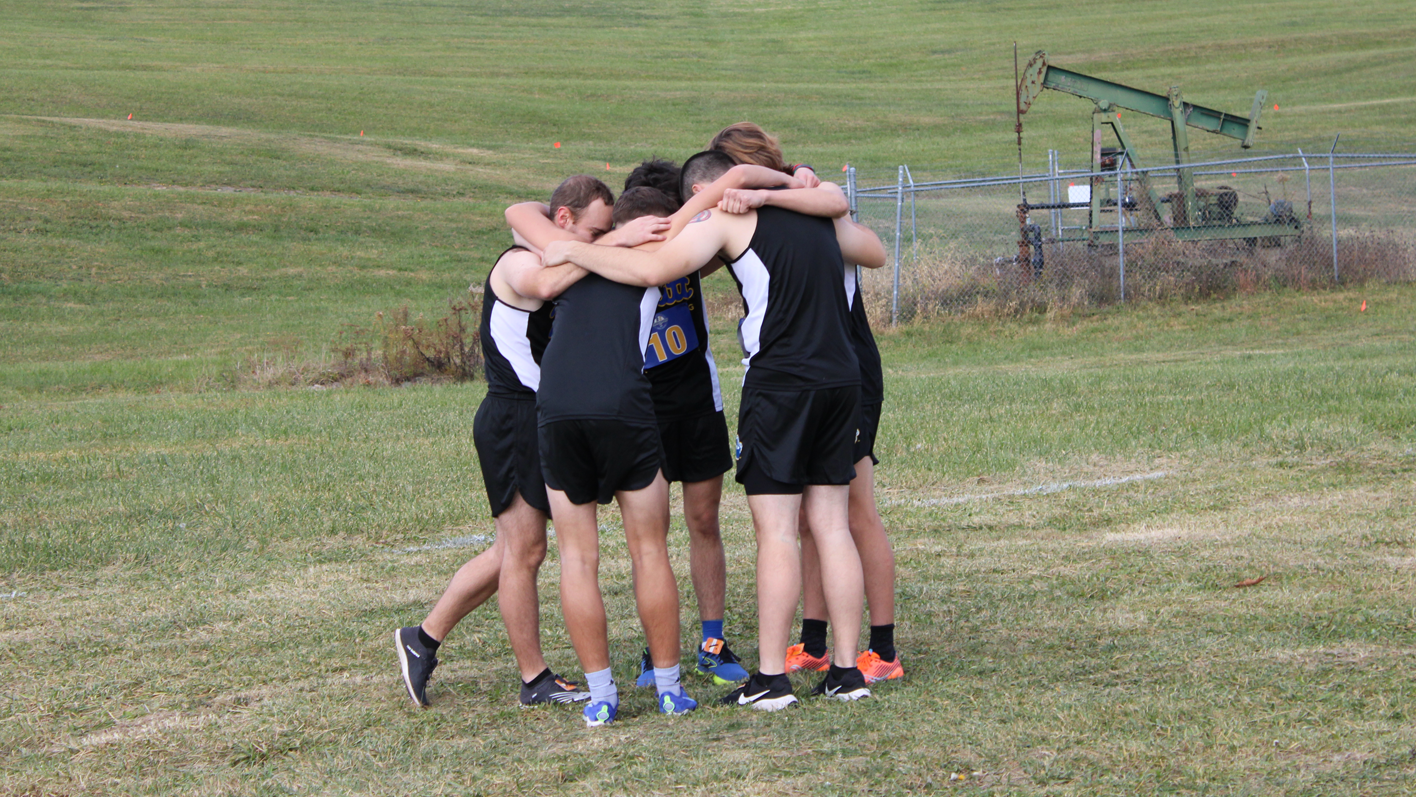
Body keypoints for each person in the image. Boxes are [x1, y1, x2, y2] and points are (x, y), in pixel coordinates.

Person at [542, 150, 884, 710]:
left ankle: (771, 681)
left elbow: (654, 270)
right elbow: (860, 234)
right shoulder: (817, 210)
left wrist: (580, 249)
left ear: (708, 189)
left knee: (776, 531)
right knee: (831, 524)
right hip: (842, 377)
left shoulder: (730, 216)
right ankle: (847, 673)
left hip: (782, 383)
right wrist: (783, 184)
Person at [393, 175, 657, 709]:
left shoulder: (556, 242)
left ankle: (421, 639)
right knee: (524, 551)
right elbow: (544, 286)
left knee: (515, 550)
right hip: (513, 415)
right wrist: (613, 243)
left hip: (545, 414)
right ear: (563, 222)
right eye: (593, 228)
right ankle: (532, 677)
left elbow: (529, 210)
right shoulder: (519, 262)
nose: (601, 237)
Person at [709, 123, 905, 685]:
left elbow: (873, 250)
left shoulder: (809, 204)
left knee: (851, 510)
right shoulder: (775, 214)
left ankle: (883, 649)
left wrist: (807, 200)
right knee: (809, 519)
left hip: (844, 368)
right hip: (817, 370)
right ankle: (817, 641)